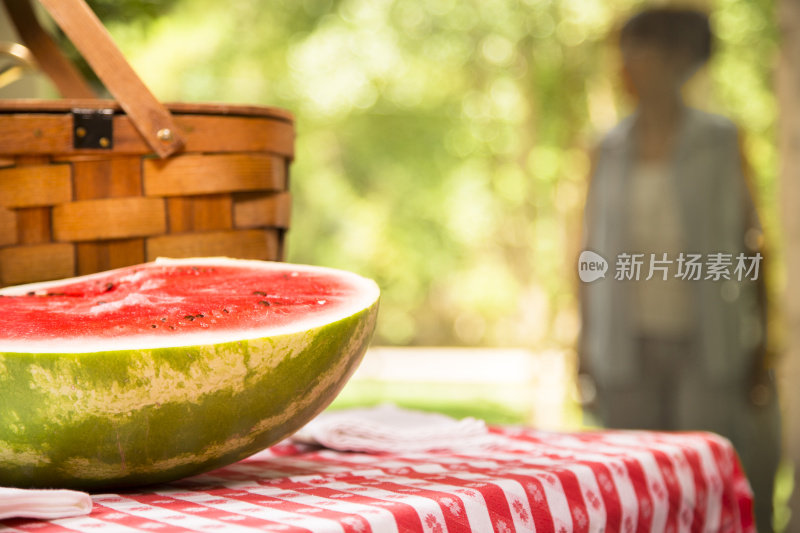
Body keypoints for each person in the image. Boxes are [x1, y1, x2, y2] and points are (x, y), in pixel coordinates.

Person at [579, 8, 781, 532]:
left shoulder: (721, 142)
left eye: (637, 51)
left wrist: (763, 342)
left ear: (676, 62)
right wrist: (582, 343)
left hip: (708, 349)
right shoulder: (607, 148)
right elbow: (589, 257)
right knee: (632, 495)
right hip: (625, 349)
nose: (623, 65)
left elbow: (753, 244)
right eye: (620, 53)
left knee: (707, 489)